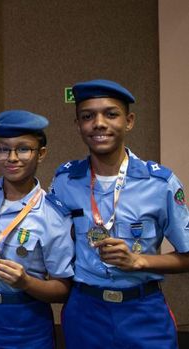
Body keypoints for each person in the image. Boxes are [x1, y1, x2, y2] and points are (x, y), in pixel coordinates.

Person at [50, 79, 189, 348]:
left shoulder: (160, 183)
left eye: (111, 114)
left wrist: (140, 261)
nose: (99, 123)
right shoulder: (65, 181)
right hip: (86, 311)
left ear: (129, 121)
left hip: (143, 311)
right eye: (87, 116)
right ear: (78, 125)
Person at [0, 110, 74, 348]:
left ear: (41, 154)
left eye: (23, 149)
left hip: (25, 321)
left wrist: (26, 283)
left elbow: (63, 289)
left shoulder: (52, 214)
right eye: (3, 148)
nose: (12, 157)